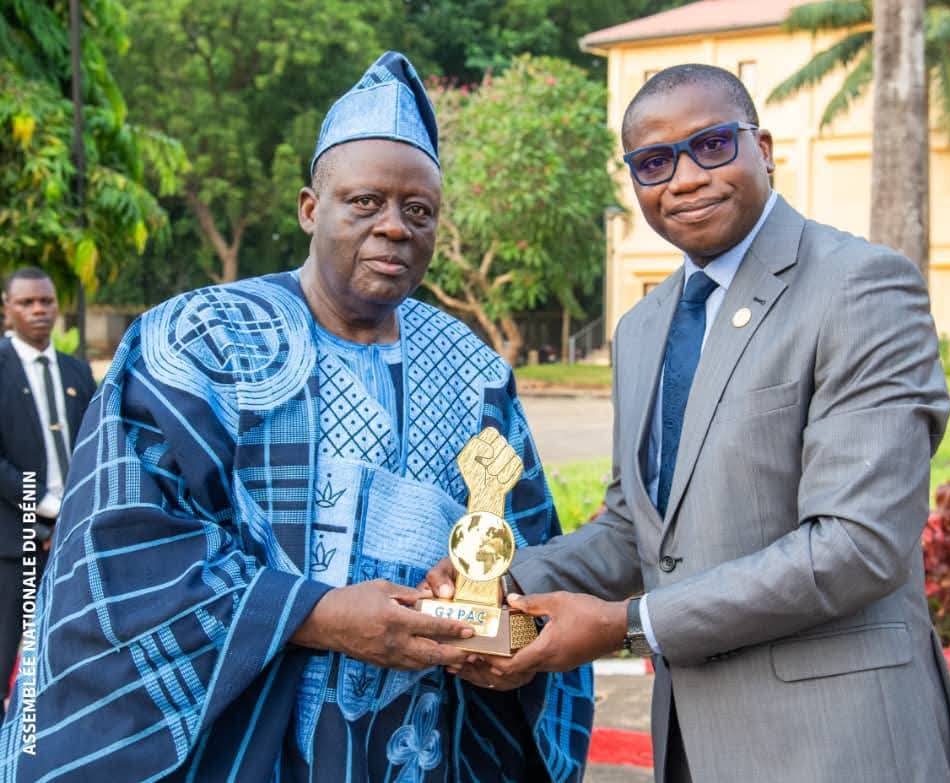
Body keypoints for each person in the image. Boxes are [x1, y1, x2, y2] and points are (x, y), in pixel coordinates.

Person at [0, 52, 591, 781]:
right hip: (244, 746)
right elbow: (123, 548)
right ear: (311, 207)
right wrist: (314, 613)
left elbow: (523, 542)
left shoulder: (473, 369)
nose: (395, 227)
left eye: (419, 211)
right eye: (366, 202)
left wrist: (505, 629)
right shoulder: (197, 341)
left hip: (420, 742)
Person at [425, 64, 950, 782]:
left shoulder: (861, 286)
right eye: (654, 162)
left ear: (765, 147)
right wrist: (497, 580)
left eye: (712, 145)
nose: (684, 179)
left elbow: (857, 545)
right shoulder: (643, 326)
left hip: (843, 740)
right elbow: (635, 527)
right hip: (695, 743)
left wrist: (627, 622)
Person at [0, 267, 95, 717]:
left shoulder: (77, 371)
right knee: (6, 651)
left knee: (74, 649)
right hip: (14, 537)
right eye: (26, 303)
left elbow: (97, 447)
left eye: (46, 302)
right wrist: (45, 506)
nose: (39, 311)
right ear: (7, 309)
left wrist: (77, 511)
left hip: (77, 536)